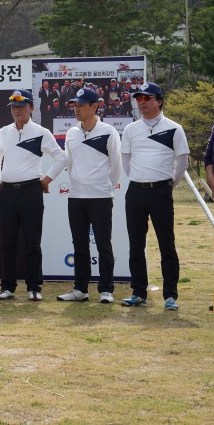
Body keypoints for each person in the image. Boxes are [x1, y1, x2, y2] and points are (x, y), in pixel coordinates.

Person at [120, 82, 189, 311]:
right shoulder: (131, 129)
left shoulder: (174, 128)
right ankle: (139, 292)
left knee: (166, 244)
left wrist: (167, 185)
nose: (141, 103)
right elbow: (126, 161)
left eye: (147, 98)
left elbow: (182, 162)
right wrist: (139, 179)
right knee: (135, 245)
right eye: (139, 99)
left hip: (161, 192)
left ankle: (170, 295)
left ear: (159, 101)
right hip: (136, 192)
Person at [0, 90, 66, 301]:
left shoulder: (41, 132)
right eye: (13, 107)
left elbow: (61, 157)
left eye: (21, 106)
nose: (16, 111)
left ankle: (34, 287)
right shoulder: (3, 132)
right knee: (8, 243)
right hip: (8, 192)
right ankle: (7, 287)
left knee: (32, 242)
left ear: (31, 108)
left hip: (31, 191)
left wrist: (47, 180)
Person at [57, 88, 121, 304]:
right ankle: (80, 289)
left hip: (101, 197)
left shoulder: (109, 131)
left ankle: (106, 290)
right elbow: (69, 162)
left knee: (103, 244)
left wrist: (104, 187)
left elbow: (116, 166)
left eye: (81, 105)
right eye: (75, 105)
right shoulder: (71, 133)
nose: (76, 109)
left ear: (95, 106)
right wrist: (79, 183)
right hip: (76, 197)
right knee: (79, 245)